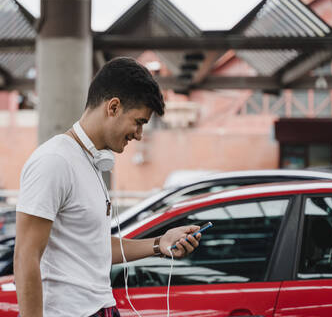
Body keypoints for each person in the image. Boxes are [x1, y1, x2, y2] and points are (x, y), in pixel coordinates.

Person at [14, 57, 202, 317]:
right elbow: (26, 257)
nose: (138, 134)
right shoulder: (55, 161)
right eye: (138, 122)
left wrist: (160, 243)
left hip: (101, 308)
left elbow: (94, 246)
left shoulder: (90, 162)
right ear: (113, 107)